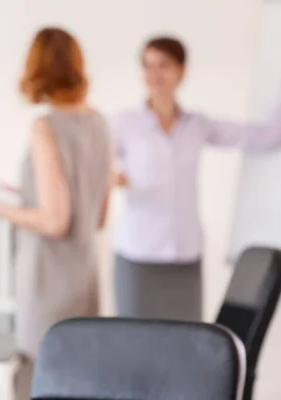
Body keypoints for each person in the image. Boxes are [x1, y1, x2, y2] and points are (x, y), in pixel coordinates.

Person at [0, 27, 112, 400]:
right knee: (80, 381)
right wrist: (26, 196)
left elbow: (54, 221)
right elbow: (96, 215)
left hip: (50, 283)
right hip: (85, 279)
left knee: (38, 382)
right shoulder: (100, 123)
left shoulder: (45, 126)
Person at [111, 36, 281, 321]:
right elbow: (94, 167)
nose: (154, 75)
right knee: (135, 344)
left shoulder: (197, 125)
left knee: (187, 345)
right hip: (138, 256)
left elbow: (265, 137)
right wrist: (113, 179)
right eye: (148, 66)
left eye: (163, 65)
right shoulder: (124, 124)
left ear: (181, 71)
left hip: (185, 256)